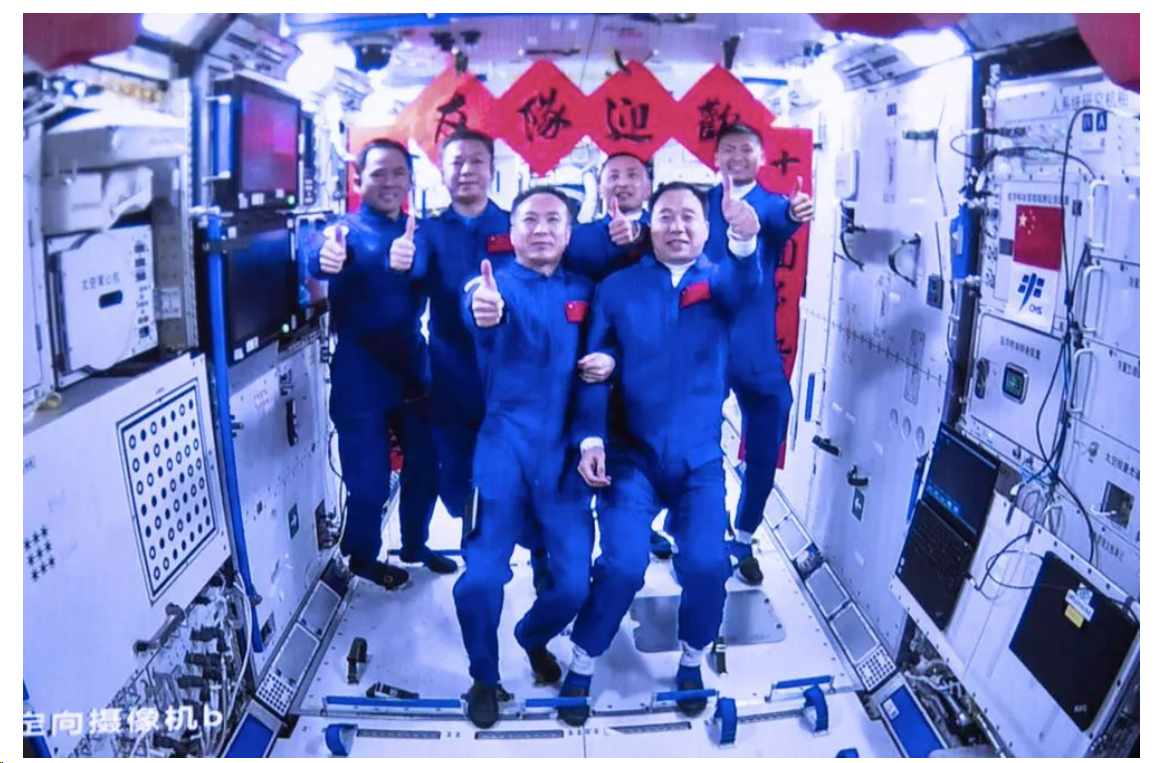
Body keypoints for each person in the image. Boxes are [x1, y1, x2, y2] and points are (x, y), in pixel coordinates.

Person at [559, 182, 762, 726]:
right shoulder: (618, 288)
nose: (677, 226)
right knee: (623, 566)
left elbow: (745, 283)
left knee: (708, 564)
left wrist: (744, 242)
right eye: (666, 215)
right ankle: (582, 660)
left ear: (706, 228)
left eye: (689, 216)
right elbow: (594, 366)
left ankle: (692, 658)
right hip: (632, 456)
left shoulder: (718, 281)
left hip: (699, 460)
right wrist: (591, 439)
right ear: (650, 227)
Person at [453, 187, 597, 728]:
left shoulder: (586, 291)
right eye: (529, 220)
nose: (541, 229)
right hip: (503, 449)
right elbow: (478, 307)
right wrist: (482, 308)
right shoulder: (494, 287)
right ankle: (484, 677)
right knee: (481, 579)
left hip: (564, 456)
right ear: (511, 233)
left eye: (553, 220)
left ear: (569, 233)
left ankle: (532, 636)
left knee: (575, 584)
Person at [309, 138, 457, 587]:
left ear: (410, 180)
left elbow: (420, 262)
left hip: (411, 366)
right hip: (359, 372)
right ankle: (362, 556)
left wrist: (406, 262)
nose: (389, 182)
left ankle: (415, 543)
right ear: (359, 180)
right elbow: (319, 255)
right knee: (368, 479)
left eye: (398, 173)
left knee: (426, 465)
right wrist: (325, 259)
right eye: (377, 173)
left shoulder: (419, 233)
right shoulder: (344, 232)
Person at [416, 129, 550, 584]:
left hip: (514, 376)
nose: (467, 170)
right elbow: (408, 280)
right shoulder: (428, 232)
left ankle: (536, 558)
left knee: (524, 468)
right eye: (457, 162)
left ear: (492, 170)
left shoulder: (517, 226)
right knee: (458, 475)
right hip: (452, 374)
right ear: (442, 172)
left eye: (477, 161)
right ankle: (480, 550)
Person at [704, 122, 815, 585]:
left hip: (755, 348)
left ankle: (744, 536)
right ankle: (701, 530)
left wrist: (796, 212)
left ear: (762, 157)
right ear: (715, 158)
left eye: (746, 149)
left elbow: (784, 220)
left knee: (765, 446)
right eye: (727, 149)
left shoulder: (771, 205)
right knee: (693, 444)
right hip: (702, 343)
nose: (736, 157)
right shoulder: (697, 204)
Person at [566, 153, 673, 560]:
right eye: (613, 175)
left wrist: (640, 235)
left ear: (648, 186)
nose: (623, 183)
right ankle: (576, 541)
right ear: (599, 185)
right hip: (583, 360)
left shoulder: (665, 232)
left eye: (633, 175)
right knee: (582, 449)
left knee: (644, 451)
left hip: (646, 364)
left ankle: (639, 523)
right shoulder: (578, 237)